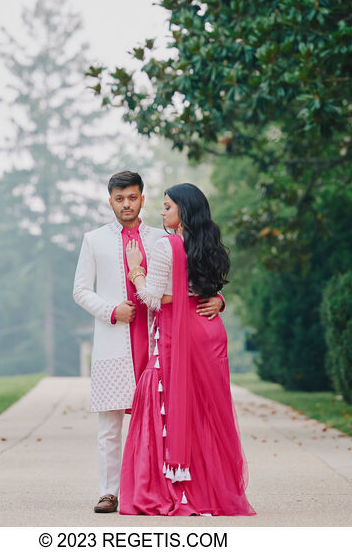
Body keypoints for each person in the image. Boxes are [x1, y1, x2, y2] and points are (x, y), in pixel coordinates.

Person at [73, 172, 225, 514]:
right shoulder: (94, 240)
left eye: (132, 197)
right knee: (111, 421)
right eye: (119, 198)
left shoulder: (165, 236)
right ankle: (109, 492)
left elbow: (200, 270)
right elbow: (80, 290)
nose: (126, 203)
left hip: (162, 342)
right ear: (109, 200)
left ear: (142, 198)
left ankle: (155, 487)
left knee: (164, 421)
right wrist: (112, 311)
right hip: (116, 341)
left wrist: (220, 299)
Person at [119, 183, 255, 516]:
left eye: (167, 207)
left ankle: (172, 488)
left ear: (184, 210)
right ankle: (210, 492)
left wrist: (135, 268)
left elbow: (153, 298)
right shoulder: (209, 245)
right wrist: (218, 301)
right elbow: (205, 291)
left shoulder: (168, 246)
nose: (162, 212)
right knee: (206, 411)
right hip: (209, 332)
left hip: (179, 334)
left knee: (164, 396)